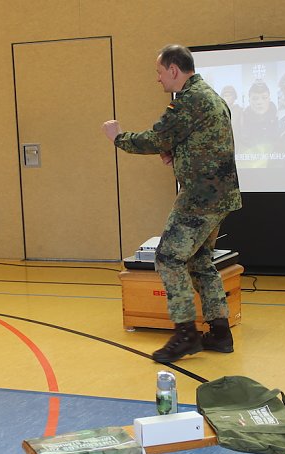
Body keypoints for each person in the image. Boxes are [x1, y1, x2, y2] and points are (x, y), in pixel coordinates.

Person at [102, 44, 242, 363]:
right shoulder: (211, 97)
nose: (158, 78)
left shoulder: (189, 100)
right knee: (200, 261)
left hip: (199, 197)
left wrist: (118, 137)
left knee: (167, 258)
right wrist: (177, 152)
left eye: (159, 72)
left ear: (174, 70)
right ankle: (220, 332)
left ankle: (185, 335)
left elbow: (156, 138)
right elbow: (202, 142)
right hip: (219, 195)